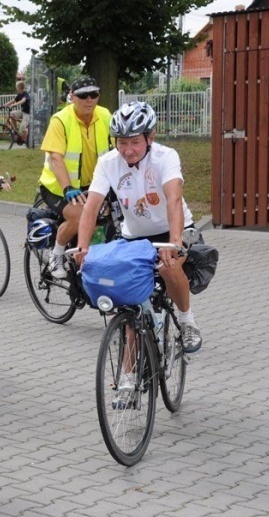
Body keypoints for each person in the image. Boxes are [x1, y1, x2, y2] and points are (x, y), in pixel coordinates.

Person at [74, 101, 203, 353]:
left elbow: (174, 199)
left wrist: (175, 242)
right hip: (135, 237)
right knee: (129, 306)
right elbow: (91, 206)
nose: (128, 150)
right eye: (122, 142)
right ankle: (128, 376)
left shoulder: (166, 157)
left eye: (135, 142)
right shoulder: (107, 163)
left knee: (169, 267)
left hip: (172, 229)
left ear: (150, 137)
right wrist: (82, 247)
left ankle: (187, 321)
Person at [38, 75, 112, 279]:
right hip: (56, 187)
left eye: (93, 94)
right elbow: (56, 157)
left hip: (92, 185)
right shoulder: (60, 120)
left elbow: (118, 150)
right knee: (81, 216)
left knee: (113, 219)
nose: (89, 99)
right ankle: (56, 254)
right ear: (71, 96)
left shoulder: (105, 116)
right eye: (83, 95)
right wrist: (67, 187)